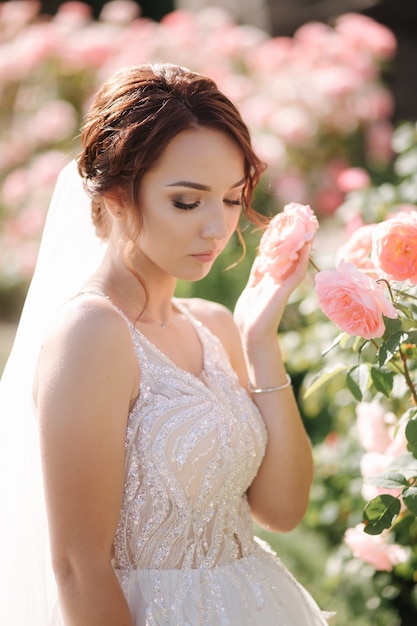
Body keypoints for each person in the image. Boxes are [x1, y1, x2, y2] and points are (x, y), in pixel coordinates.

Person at [0, 63, 331, 625]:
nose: (217, 227)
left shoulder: (216, 325)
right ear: (116, 196)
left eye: (230, 199)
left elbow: (282, 509)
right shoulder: (91, 335)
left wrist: (259, 340)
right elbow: (79, 567)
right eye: (186, 201)